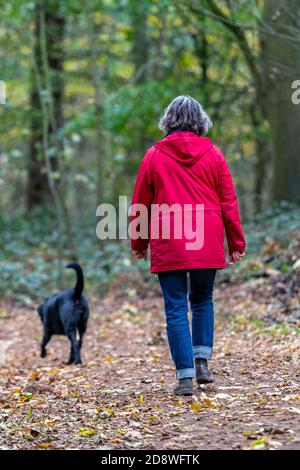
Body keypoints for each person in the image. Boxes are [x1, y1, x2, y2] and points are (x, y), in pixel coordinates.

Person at [130, 95, 246, 395]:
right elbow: (228, 202)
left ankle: (184, 377)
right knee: (203, 300)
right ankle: (202, 363)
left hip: (170, 238)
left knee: (176, 307)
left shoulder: (154, 155)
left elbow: (140, 202)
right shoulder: (214, 155)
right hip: (206, 239)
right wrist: (235, 241)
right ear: (200, 121)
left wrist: (139, 241)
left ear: (167, 120)